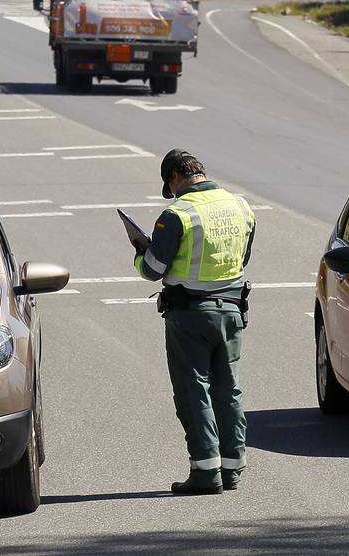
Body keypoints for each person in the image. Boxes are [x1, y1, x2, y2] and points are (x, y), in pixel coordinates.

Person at [134, 149, 255, 495]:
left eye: (169, 186)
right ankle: (233, 468)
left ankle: (206, 472)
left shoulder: (176, 214)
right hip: (232, 311)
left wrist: (140, 252)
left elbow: (153, 269)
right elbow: (242, 256)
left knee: (193, 390)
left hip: (190, 316)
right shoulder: (240, 205)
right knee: (228, 388)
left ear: (175, 177)